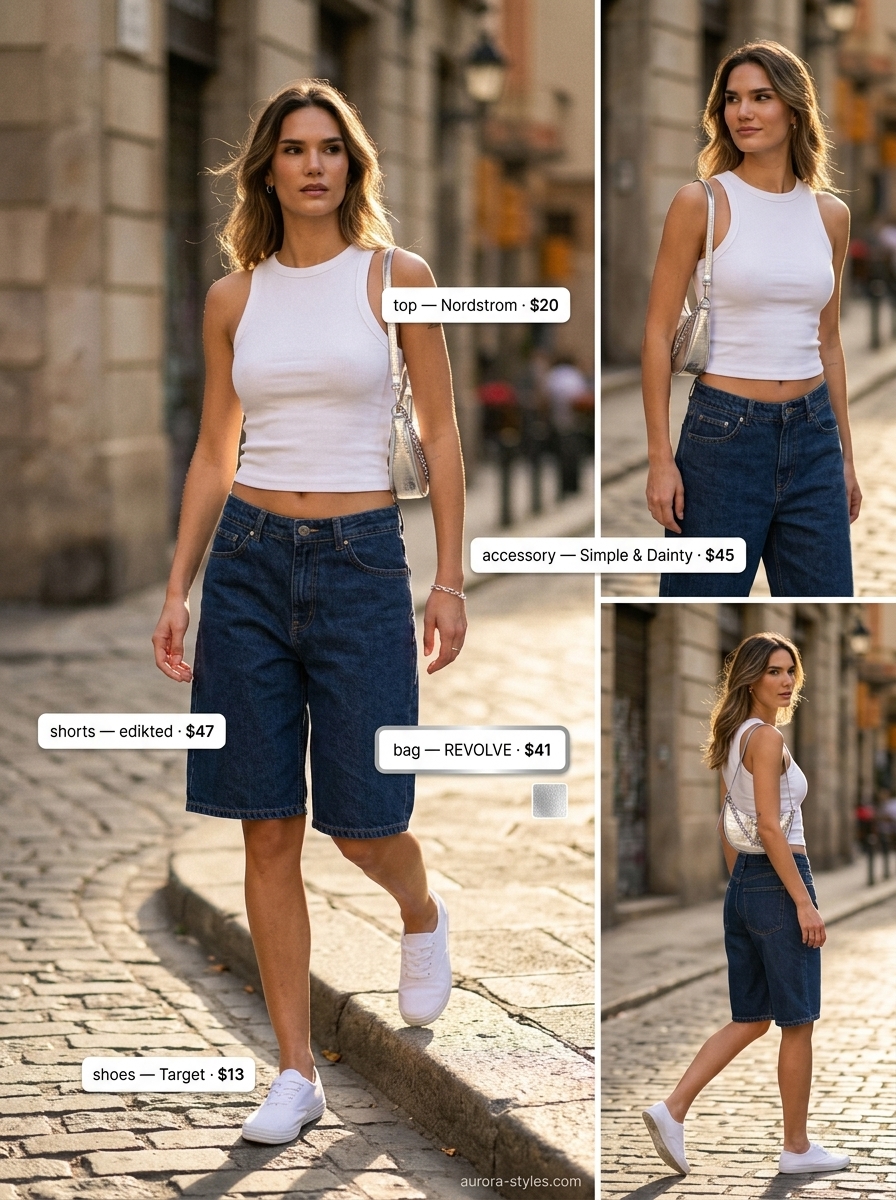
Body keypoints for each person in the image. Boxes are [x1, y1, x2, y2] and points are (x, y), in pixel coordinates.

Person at [151, 80, 467, 1146]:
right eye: (293, 149)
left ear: (352, 166)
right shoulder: (231, 299)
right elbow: (211, 450)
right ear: (268, 170)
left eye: (331, 148)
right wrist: (177, 586)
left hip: (362, 565)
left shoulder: (399, 280)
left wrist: (451, 576)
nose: (314, 166)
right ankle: (293, 1071)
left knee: (364, 825)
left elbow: (444, 435)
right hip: (244, 561)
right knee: (265, 827)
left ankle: (419, 913)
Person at [642, 41, 861, 597]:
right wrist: (660, 460)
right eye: (733, 100)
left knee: (827, 595)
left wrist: (846, 459)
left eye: (761, 98)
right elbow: (657, 334)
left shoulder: (830, 215)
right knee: (698, 596)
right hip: (722, 439)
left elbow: (828, 342)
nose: (744, 112)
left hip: (814, 435)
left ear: (793, 109)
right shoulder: (701, 203)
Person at [642, 633, 849, 1177]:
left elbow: (726, 826)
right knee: (797, 1022)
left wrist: (745, 890)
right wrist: (802, 903)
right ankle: (797, 1148)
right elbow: (767, 828)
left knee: (751, 1018)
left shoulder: (735, 735)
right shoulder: (764, 740)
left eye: (790, 671)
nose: (785, 681)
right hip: (780, 882)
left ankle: (672, 1109)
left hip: (748, 886)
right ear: (751, 677)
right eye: (774, 671)